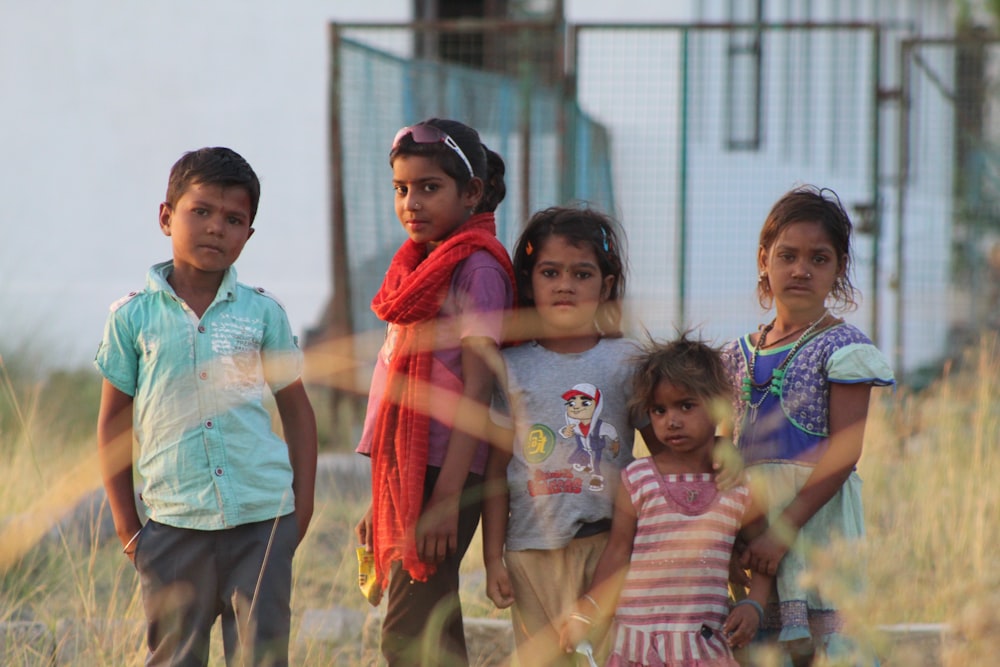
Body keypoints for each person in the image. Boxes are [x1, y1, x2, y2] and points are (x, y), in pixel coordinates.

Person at [482, 206, 742, 666]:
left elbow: (669, 450)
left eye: (582, 274)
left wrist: (719, 453)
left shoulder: (627, 360)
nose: (565, 284)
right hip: (529, 550)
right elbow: (497, 470)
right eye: (550, 272)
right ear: (528, 281)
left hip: (612, 548)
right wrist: (492, 559)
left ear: (604, 286)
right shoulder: (511, 366)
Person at [95, 147, 318, 667]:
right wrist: (130, 529)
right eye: (201, 212)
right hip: (172, 524)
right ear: (166, 216)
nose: (217, 228)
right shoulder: (132, 319)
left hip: (262, 520)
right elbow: (112, 424)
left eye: (234, 219)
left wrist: (300, 508)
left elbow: (298, 412)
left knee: (261, 657)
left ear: (248, 234)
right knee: (176, 656)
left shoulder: (263, 314)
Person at [353, 118, 515, 667]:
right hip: (409, 468)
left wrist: (447, 498)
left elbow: (477, 387)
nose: (411, 203)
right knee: (432, 627)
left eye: (429, 188)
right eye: (401, 189)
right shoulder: (419, 267)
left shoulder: (477, 269)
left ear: (471, 192)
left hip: (448, 468)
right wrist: (382, 501)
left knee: (406, 633)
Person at [721, 185, 895, 666]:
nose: (801, 269)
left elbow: (844, 453)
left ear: (838, 268)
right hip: (751, 535)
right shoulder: (736, 354)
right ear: (764, 259)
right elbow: (723, 449)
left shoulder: (843, 347)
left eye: (819, 259)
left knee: (821, 648)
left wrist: (783, 534)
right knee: (763, 646)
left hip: (815, 528)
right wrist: (739, 534)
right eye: (788, 255)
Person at [559, 335, 773, 667]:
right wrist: (588, 608)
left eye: (686, 406)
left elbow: (764, 550)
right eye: (659, 410)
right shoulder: (637, 479)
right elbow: (617, 552)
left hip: (704, 644)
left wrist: (754, 603)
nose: (671, 420)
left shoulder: (738, 486)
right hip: (639, 645)